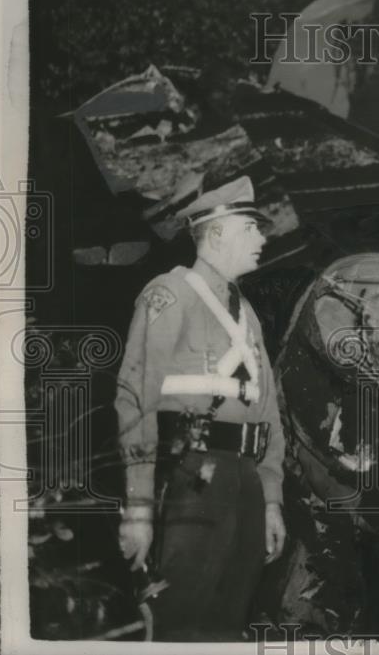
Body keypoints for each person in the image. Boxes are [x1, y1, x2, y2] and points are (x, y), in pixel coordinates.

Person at [115, 176, 286, 641]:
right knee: (179, 622)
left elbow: (269, 411)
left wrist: (270, 500)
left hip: (244, 482)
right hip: (193, 475)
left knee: (228, 626)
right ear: (216, 233)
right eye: (251, 227)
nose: (263, 238)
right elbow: (135, 398)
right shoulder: (170, 294)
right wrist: (138, 507)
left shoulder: (247, 314)